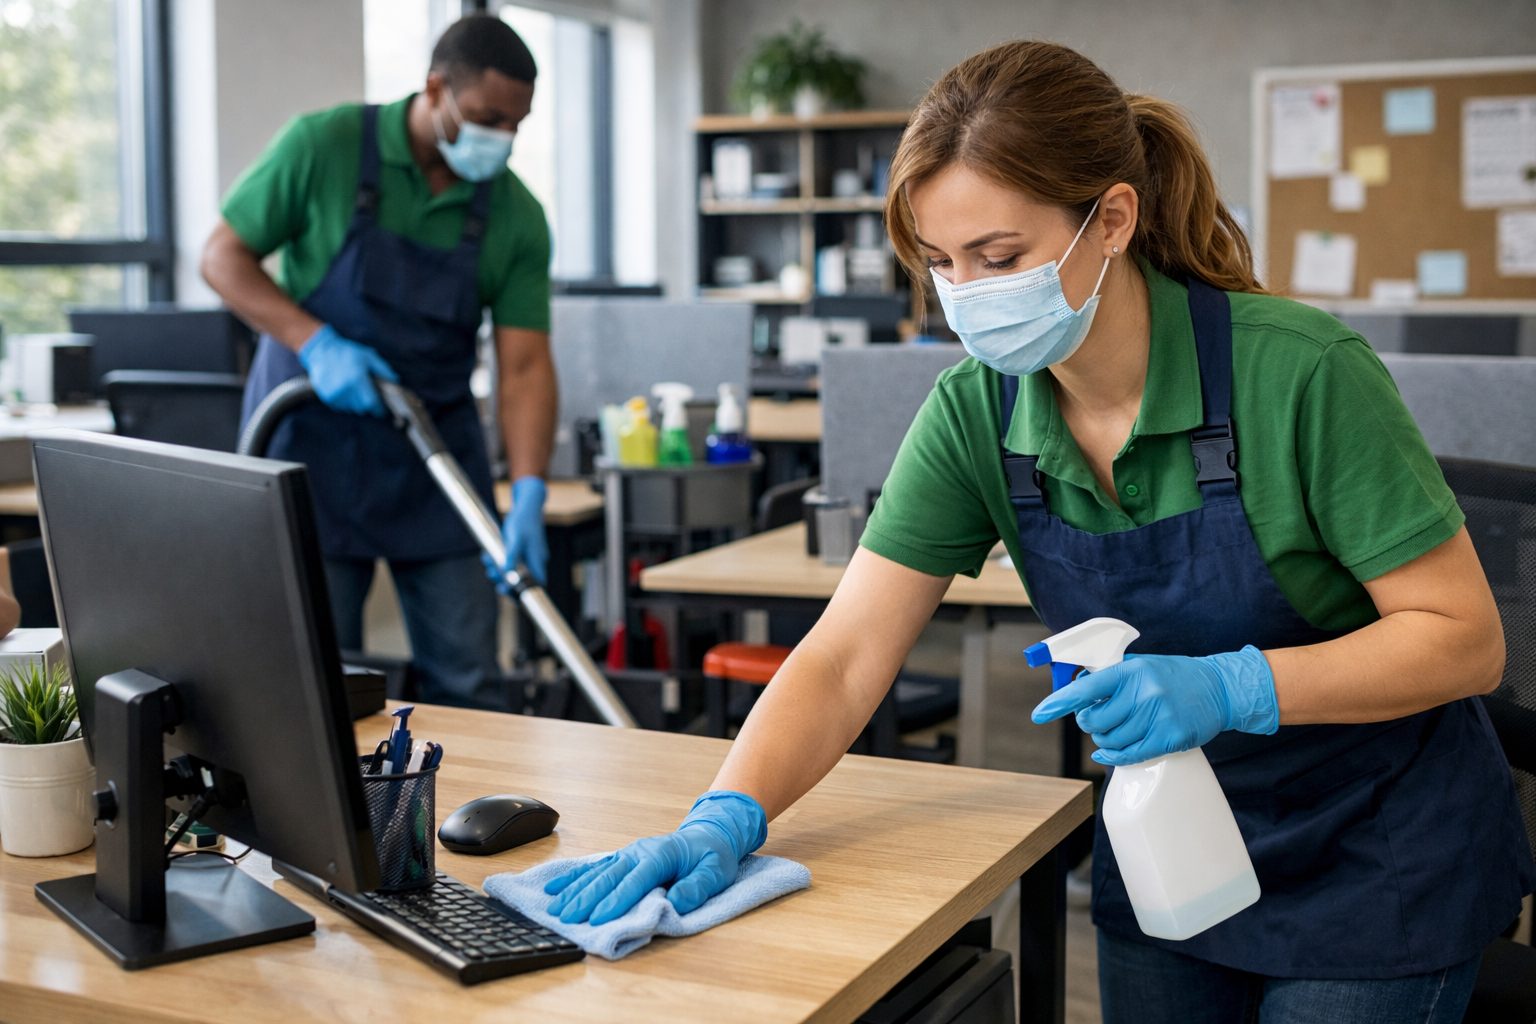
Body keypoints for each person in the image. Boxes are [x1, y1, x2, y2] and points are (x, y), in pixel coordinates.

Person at [540, 40, 1535, 1023]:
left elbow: (1465, 640)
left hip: (1378, 858)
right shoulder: (976, 410)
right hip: (1170, 843)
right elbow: (845, 655)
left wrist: (1234, 687)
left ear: (1112, 219)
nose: (970, 294)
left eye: (1001, 257)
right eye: (942, 263)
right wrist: (726, 814)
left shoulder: (1302, 374)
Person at [202, 15, 555, 708]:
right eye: (489, 118)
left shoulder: (516, 214)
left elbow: (524, 369)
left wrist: (529, 489)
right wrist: (315, 342)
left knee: (470, 679)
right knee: (311, 685)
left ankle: (461, 787)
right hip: (309, 450)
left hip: (433, 456)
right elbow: (221, 258)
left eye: (517, 124)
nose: (503, 139)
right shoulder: (323, 145)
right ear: (435, 89)